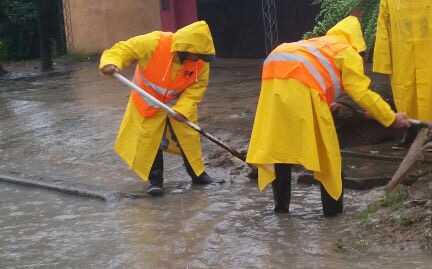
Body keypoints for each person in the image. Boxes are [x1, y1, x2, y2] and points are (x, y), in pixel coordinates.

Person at [246, 17, 410, 216]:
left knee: (281, 147)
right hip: (298, 85)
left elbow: (311, 75)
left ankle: (281, 210)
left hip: (274, 74)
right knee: (328, 155)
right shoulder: (347, 51)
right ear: (358, 44)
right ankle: (333, 215)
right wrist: (390, 117)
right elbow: (361, 92)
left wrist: (325, 101)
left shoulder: (321, 44)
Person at [100, 20, 217, 195]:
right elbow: (124, 49)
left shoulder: (200, 63)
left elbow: (197, 87)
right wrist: (111, 62)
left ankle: (198, 175)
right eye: (197, 55)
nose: (199, 59)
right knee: (149, 140)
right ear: (185, 49)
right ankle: (155, 181)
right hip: (147, 102)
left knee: (189, 138)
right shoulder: (154, 42)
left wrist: (183, 109)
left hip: (178, 104)